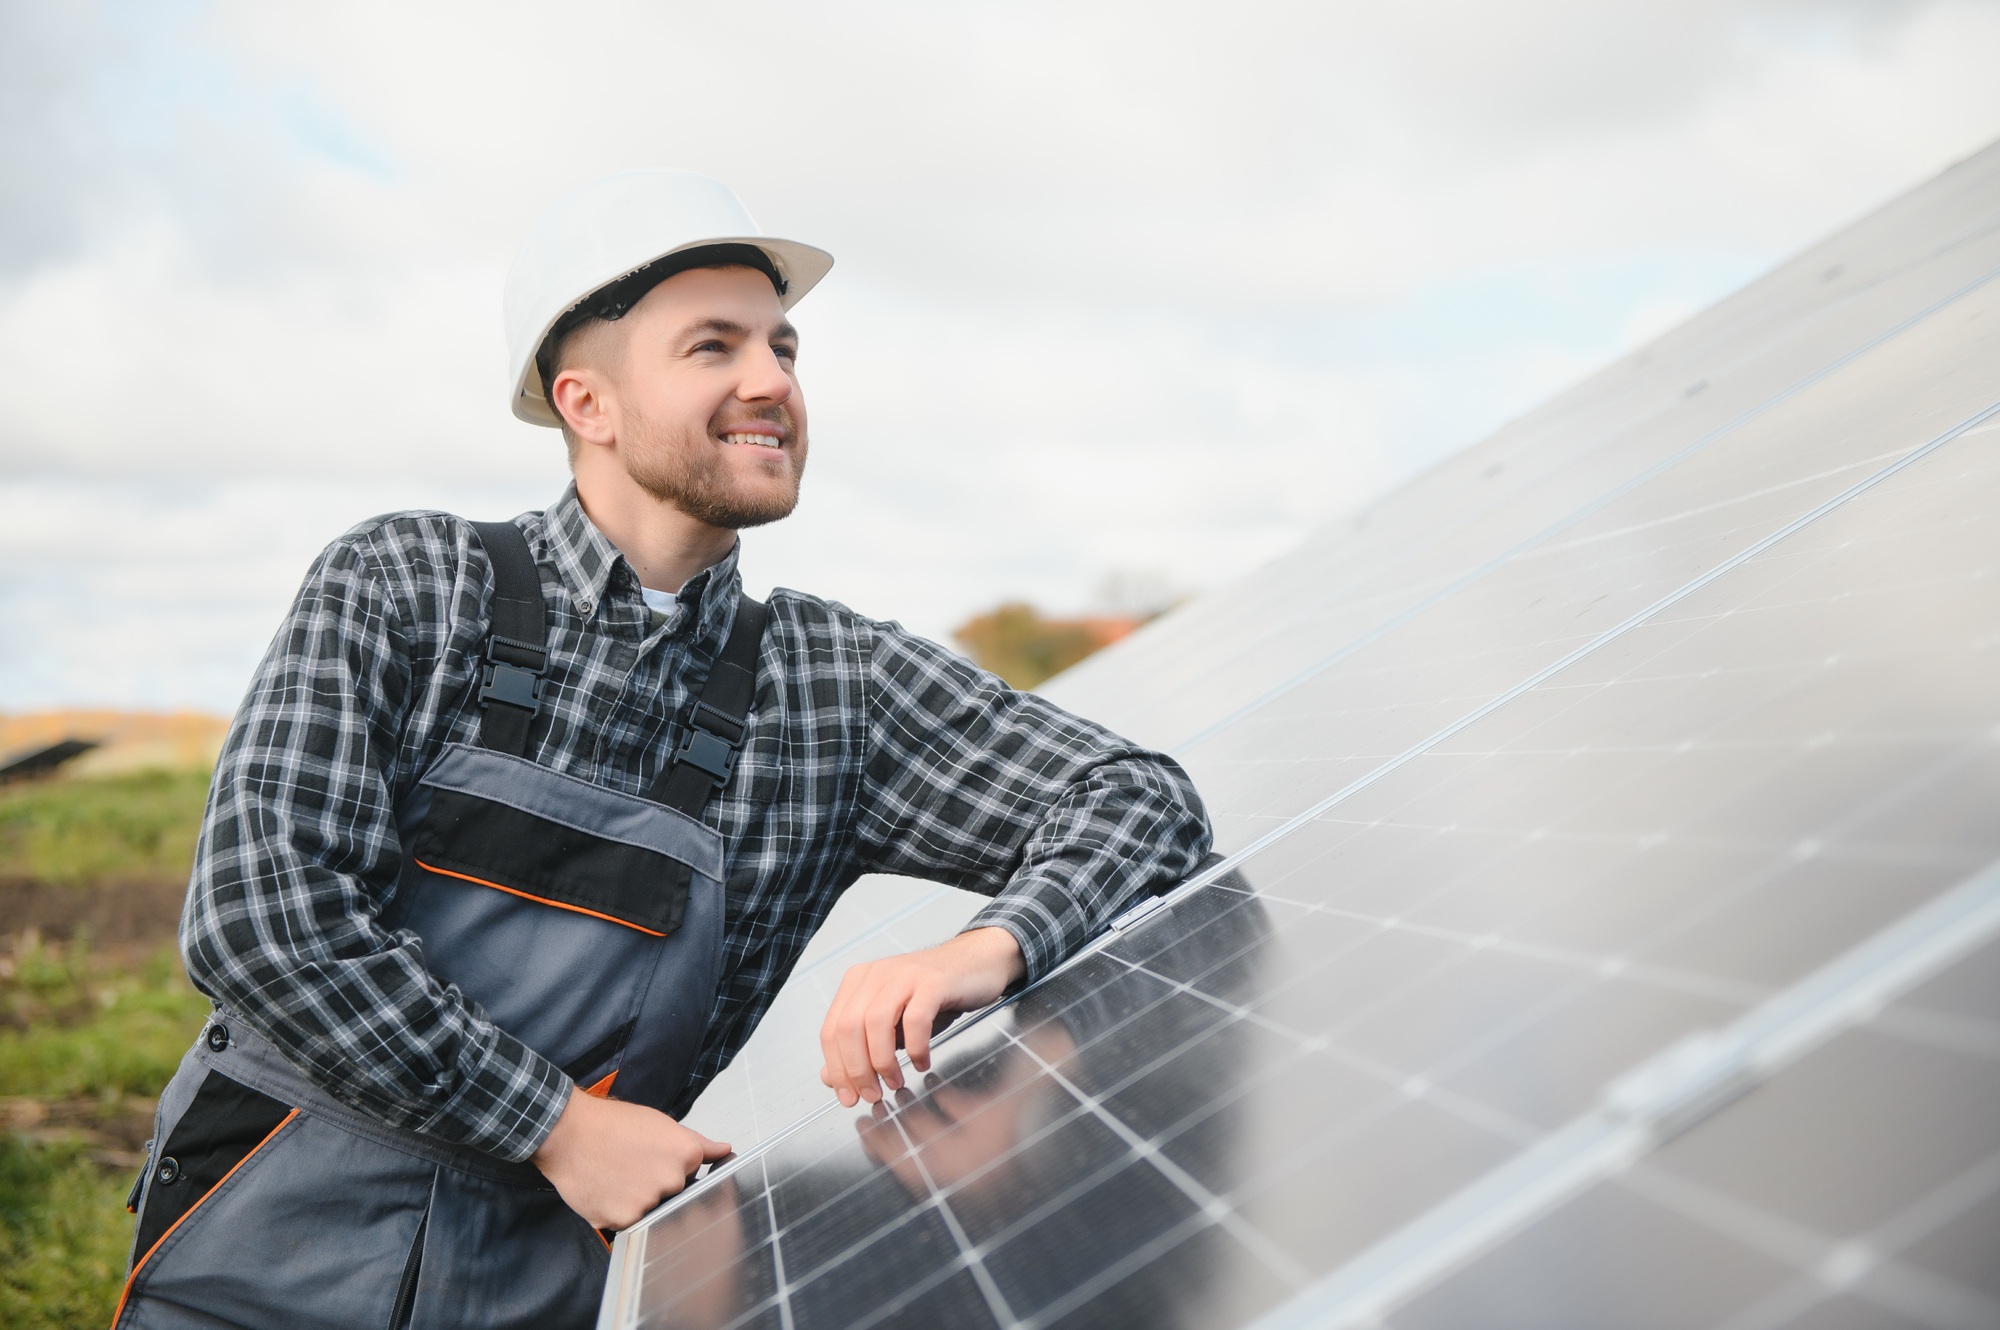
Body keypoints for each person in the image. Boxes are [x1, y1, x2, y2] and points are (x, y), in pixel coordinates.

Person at [116, 169, 1211, 1330]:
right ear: (585, 402)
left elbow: (1139, 799)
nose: (772, 381)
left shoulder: (832, 688)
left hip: (547, 1287)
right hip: (259, 1251)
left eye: (784, 347)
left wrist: (988, 946)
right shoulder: (404, 585)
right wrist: (556, 1124)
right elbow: (261, 914)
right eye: (713, 346)